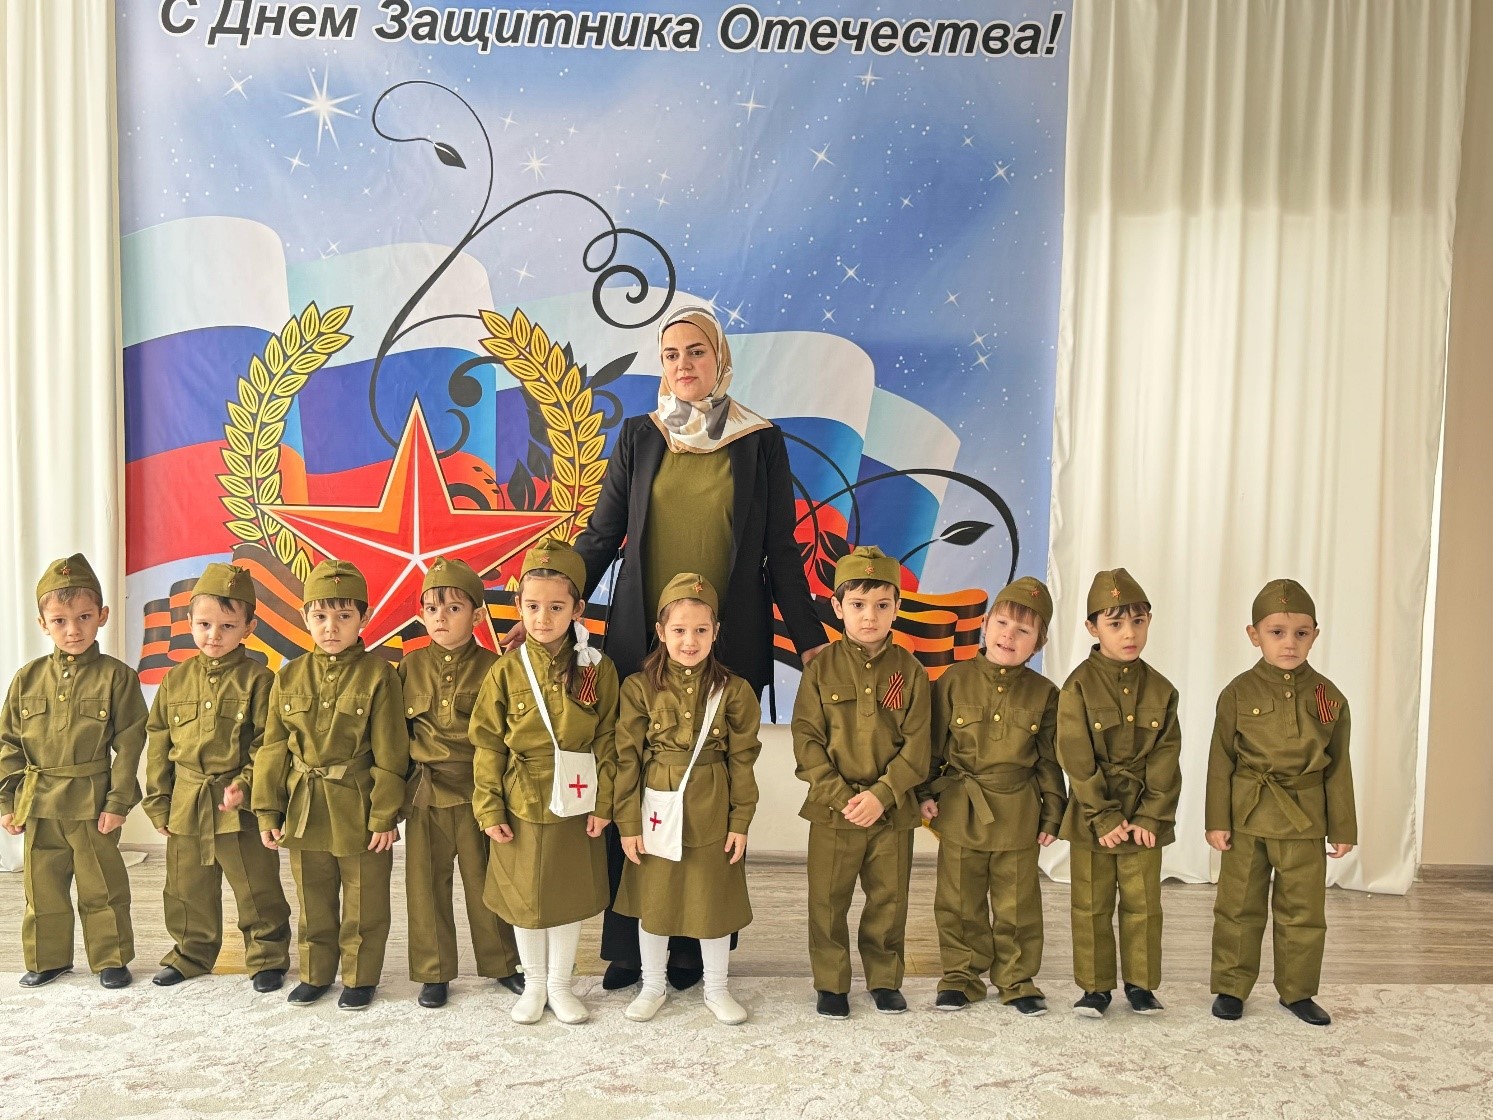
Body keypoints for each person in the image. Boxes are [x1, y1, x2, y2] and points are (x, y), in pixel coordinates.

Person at [563, 303, 828, 992]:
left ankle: (696, 950)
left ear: (720, 359)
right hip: (641, 648)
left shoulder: (760, 442)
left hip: (727, 645)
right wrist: (554, 600)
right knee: (638, 780)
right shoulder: (639, 436)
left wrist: (811, 643)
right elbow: (603, 535)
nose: (684, 364)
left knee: (708, 791)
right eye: (672, 353)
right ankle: (631, 946)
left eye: (697, 351)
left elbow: (780, 552)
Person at [471, 538, 618, 1025]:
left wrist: (606, 803)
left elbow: (609, 740)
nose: (543, 618)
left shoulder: (597, 668)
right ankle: (534, 983)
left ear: (577, 609)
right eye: (532, 606)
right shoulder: (505, 671)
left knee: (566, 895)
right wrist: (489, 808)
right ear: (518, 605)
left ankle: (561, 985)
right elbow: (488, 744)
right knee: (524, 898)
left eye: (556, 607)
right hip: (520, 799)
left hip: (578, 797)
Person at [252, 559, 408, 1011]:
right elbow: (272, 748)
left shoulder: (380, 675)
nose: (331, 627)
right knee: (313, 895)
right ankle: (316, 973)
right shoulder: (289, 676)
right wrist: (268, 810)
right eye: (320, 616)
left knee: (364, 897)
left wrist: (384, 816)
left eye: (343, 616)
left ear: (364, 618)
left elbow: (391, 752)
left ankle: (361, 977)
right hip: (304, 803)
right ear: (305, 617)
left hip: (358, 802)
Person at [614, 573, 762, 1025]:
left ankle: (716, 988)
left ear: (716, 631)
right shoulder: (638, 688)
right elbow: (625, 759)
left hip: (713, 805)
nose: (690, 641)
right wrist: (628, 823)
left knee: (711, 898)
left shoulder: (734, 690)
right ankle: (652, 985)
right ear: (661, 632)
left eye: (701, 629)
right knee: (655, 899)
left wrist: (740, 821)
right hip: (656, 806)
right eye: (679, 630)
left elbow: (743, 761)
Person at [1206, 579, 1356, 1027]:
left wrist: (1342, 827)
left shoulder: (1330, 697)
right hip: (1248, 816)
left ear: (1315, 635)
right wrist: (1217, 820)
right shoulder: (1237, 693)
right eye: (1276, 632)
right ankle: (1231, 987)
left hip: (1305, 819)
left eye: (1301, 633)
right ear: (1254, 635)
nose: (1289, 643)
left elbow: (1338, 765)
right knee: (1238, 906)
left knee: (1303, 911)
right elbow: (1221, 760)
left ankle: (1298, 991)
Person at [792, 545, 930, 1019]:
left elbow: (918, 747)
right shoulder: (820, 669)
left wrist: (882, 795)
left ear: (897, 607)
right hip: (834, 811)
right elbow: (807, 742)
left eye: (881, 605)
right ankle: (831, 984)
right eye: (857, 604)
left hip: (892, 811)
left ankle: (885, 980)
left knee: (889, 900)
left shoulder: (911, 671)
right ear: (837, 607)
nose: (869, 616)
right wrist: (845, 797)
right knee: (827, 901)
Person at [919, 576, 1065, 1015]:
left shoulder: (1046, 694)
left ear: (1038, 642)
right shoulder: (953, 680)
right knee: (958, 899)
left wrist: (1053, 814)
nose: (1009, 636)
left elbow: (1049, 761)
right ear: (985, 624)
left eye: (1023, 630)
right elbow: (932, 746)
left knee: (1017, 903)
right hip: (961, 807)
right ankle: (960, 977)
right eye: (1002, 623)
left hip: (1019, 812)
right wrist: (924, 792)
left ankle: (1017, 980)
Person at [0, 553, 147, 989]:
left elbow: (130, 746)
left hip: (91, 800)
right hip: (38, 802)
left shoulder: (118, 677)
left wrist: (119, 802)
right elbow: (8, 744)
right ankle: (48, 959)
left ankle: (111, 959)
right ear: (42, 624)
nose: (73, 630)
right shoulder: (27, 679)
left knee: (102, 885)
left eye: (84, 617)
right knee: (42, 887)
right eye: (60, 621)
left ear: (102, 615)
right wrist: (7, 801)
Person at [142, 562, 291, 992]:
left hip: (237, 806)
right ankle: (190, 953)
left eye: (228, 626)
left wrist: (246, 785)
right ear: (189, 621)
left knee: (256, 886)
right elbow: (159, 743)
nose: (214, 635)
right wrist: (159, 802)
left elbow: (268, 744)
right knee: (185, 886)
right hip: (187, 802)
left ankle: (267, 956)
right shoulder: (174, 680)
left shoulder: (260, 680)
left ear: (249, 628)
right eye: (204, 624)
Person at [1056, 568, 1181, 1017]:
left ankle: (1141, 986)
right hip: (1093, 817)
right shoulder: (1077, 686)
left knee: (1143, 903)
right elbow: (1075, 756)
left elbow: (1167, 757)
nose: (1129, 634)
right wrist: (1104, 816)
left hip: (1144, 817)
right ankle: (1095, 987)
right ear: (1092, 628)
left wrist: (1152, 815)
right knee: (1090, 903)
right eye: (1115, 624)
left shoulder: (1162, 689)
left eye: (1138, 622)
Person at [399, 558, 523, 1009]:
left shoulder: (496, 667)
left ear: (476, 615)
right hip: (425, 794)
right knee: (425, 887)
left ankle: (503, 964)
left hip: (478, 794)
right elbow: (396, 738)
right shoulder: (408, 668)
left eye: (454, 608)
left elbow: (506, 739)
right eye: (432, 609)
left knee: (486, 883)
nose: (441, 618)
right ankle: (434, 972)